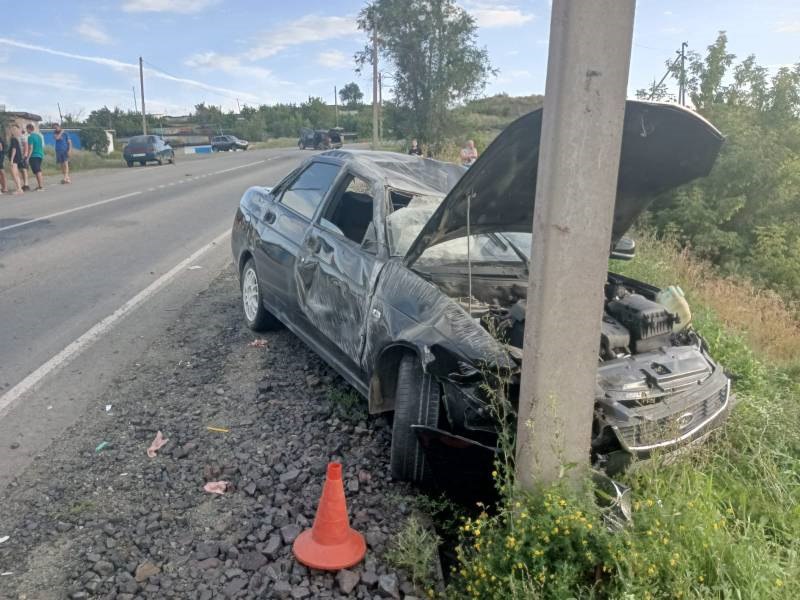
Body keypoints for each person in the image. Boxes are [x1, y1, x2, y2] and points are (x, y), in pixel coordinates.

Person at [25, 124, 45, 191]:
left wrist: (28, 157)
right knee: (37, 171)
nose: (26, 130)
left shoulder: (30, 137)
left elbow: (31, 147)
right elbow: (41, 146)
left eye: (26, 129)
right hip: (40, 155)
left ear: (28, 129)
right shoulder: (38, 136)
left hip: (34, 155)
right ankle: (39, 186)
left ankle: (41, 186)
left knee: (38, 171)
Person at [7, 125, 24, 195]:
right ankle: (19, 189)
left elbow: (14, 149)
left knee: (14, 174)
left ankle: (19, 189)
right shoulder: (16, 139)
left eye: (11, 130)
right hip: (17, 158)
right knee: (16, 174)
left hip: (14, 159)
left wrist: (11, 159)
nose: (9, 131)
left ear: (12, 131)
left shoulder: (13, 139)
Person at [18, 125, 30, 191]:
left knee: (24, 170)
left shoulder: (23, 137)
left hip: (23, 156)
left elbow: (26, 147)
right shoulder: (18, 137)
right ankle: (25, 184)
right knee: (22, 170)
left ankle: (26, 184)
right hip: (19, 156)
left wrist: (25, 156)